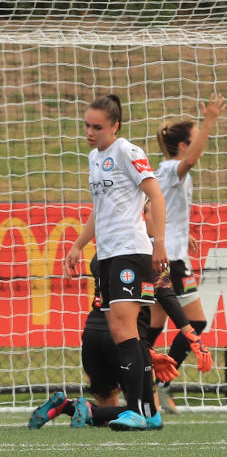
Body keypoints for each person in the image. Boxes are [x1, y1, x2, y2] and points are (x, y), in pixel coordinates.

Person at [62, 94, 167, 431]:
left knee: (123, 330)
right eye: (87, 126)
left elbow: (156, 194)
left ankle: (137, 410)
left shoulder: (127, 151)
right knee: (123, 332)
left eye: (97, 127)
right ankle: (149, 412)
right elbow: (100, 208)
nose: (90, 133)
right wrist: (79, 244)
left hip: (129, 252)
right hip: (106, 255)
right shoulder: (95, 157)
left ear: (115, 126)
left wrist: (159, 243)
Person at [29, 256, 179, 430]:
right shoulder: (141, 254)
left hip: (91, 335)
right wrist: (187, 333)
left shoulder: (102, 253)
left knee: (109, 408)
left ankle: (67, 406)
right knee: (148, 412)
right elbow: (163, 297)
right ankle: (82, 408)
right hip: (121, 341)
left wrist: (78, 246)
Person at [146, 94, 223, 412]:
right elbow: (191, 160)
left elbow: (155, 207)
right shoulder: (174, 169)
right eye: (194, 140)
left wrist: (181, 231)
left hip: (172, 254)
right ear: (183, 146)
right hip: (171, 261)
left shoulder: (168, 174)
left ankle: (148, 383)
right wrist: (208, 122)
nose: (197, 148)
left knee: (153, 326)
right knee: (197, 321)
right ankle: (154, 383)